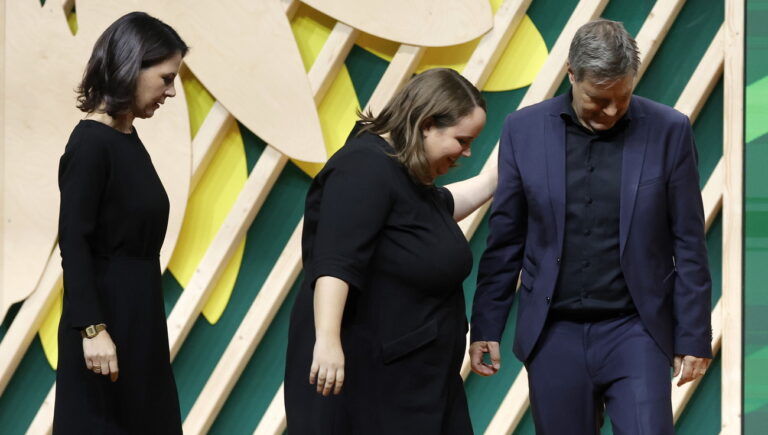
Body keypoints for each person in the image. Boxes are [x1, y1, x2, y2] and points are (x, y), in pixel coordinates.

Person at [469, 19, 712, 434]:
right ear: (571, 75)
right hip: (553, 331)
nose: (613, 110)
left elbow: (688, 240)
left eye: (623, 97)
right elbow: (506, 239)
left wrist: (693, 335)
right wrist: (486, 325)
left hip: (636, 329)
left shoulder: (669, 130)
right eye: (599, 99)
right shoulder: (522, 130)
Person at [284, 68, 495, 434]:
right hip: (374, 387)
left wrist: (497, 178)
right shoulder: (363, 167)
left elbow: (437, 209)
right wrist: (329, 340)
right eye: (462, 140)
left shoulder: (401, 171)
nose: (467, 151)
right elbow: (335, 261)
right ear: (427, 123)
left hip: (417, 382)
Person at [54, 12, 187, 434]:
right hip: (105, 325)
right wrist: (92, 328)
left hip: (140, 317)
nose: (171, 91)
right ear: (132, 67)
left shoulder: (126, 137)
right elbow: (73, 242)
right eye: (166, 78)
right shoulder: (91, 144)